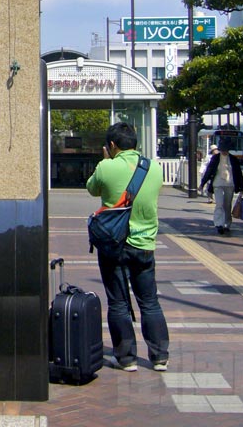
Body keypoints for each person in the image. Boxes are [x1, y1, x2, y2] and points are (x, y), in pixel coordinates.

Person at [86, 122, 170, 372]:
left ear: (112, 145)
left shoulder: (106, 166)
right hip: (145, 244)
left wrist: (105, 162)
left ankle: (126, 358)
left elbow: (92, 189)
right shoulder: (154, 168)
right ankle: (159, 357)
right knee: (150, 301)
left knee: (119, 303)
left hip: (114, 244)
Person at [198, 144, 243, 234]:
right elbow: (209, 170)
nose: (224, 152)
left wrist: (241, 187)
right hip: (217, 183)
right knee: (219, 204)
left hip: (230, 184)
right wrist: (202, 183)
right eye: (223, 150)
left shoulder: (233, 159)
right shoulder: (215, 158)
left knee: (227, 205)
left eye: (226, 150)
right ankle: (219, 224)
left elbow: (238, 172)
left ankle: (227, 224)